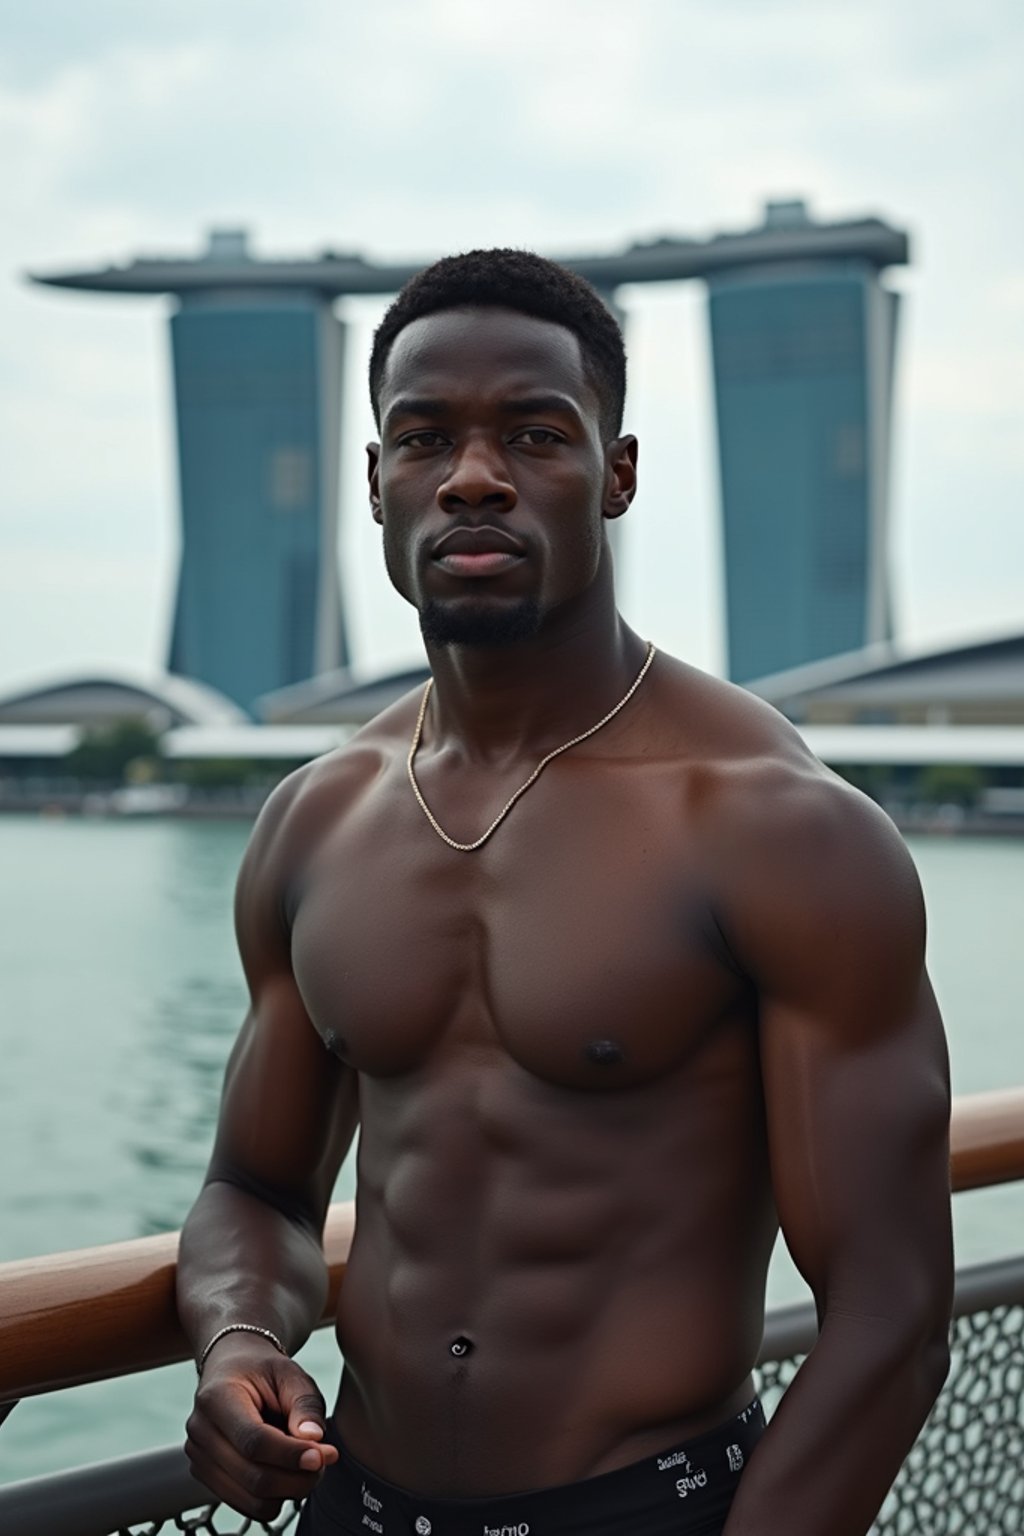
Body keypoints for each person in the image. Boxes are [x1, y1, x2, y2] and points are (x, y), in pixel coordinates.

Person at [177, 248, 953, 1536]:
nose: (473, 476)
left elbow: (890, 1318)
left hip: (654, 1506)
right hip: (350, 1506)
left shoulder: (773, 824)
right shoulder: (315, 821)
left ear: (618, 474)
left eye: (535, 435)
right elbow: (256, 1193)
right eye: (424, 438)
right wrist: (236, 1339)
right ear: (376, 484)